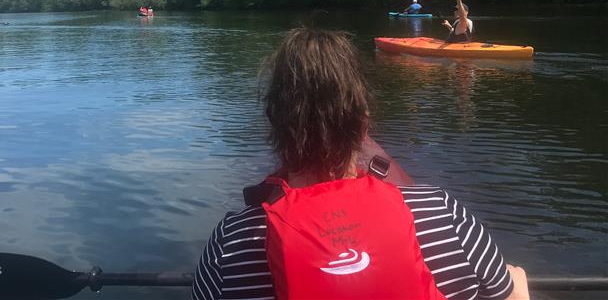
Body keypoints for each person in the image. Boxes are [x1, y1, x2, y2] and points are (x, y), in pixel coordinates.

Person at [192, 27, 528, 300]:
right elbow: (505, 294)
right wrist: (519, 288)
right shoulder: (442, 214)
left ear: (276, 125)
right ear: (363, 125)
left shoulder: (232, 244)